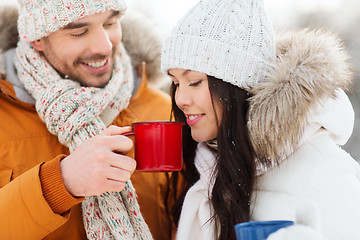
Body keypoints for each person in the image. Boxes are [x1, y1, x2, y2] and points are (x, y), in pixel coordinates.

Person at [161, 0, 360, 239]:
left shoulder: (325, 173)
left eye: (194, 81)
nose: (180, 99)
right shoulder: (207, 165)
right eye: (175, 83)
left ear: (236, 84)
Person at [0, 0, 173, 239]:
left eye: (110, 22)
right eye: (78, 31)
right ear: (37, 38)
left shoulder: (163, 111)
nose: (104, 46)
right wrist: (60, 183)